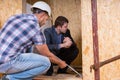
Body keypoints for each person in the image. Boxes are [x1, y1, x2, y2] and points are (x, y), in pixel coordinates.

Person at [0, 1, 67, 80]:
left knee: (30, 46)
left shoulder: (15, 17)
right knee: (46, 63)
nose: (45, 22)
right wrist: (60, 63)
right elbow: (47, 55)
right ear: (43, 15)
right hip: (9, 63)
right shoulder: (35, 28)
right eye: (46, 19)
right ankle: (11, 78)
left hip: (2, 61)